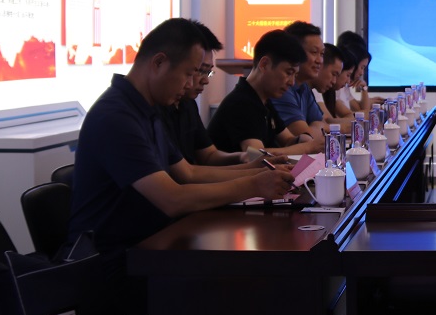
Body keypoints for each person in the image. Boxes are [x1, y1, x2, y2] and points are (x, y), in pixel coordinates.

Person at [68, 17, 295, 258]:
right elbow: (172, 199)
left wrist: (256, 171)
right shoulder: (116, 117)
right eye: (189, 73)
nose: (190, 84)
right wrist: (254, 184)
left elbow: (189, 172)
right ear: (159, 62)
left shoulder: (148, 109)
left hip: (150, 243)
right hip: (109, 258)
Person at [157, 20, 274, 167]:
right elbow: (186, 175)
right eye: (199, 71)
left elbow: (208, 155)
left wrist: (241, 157)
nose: (205, 80)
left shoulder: (188, 104)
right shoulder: (155, 109)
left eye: (208, 72)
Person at [207, 29, 318, 155]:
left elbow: (287, 140)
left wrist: (302, 139)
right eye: (288, 72)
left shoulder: (264, 101)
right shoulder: (241, 103)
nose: (292, 82)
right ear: (264, 64)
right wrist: (307, 148)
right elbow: (256, 154)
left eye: (295, 75)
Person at [270, 21, 328, 150]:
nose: (319, 60)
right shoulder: (282, 89)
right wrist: (314, 130)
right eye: (314, 52)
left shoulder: (304, 86)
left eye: (322, 54)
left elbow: (322, 125)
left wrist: (314, 130)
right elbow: (305, 137)